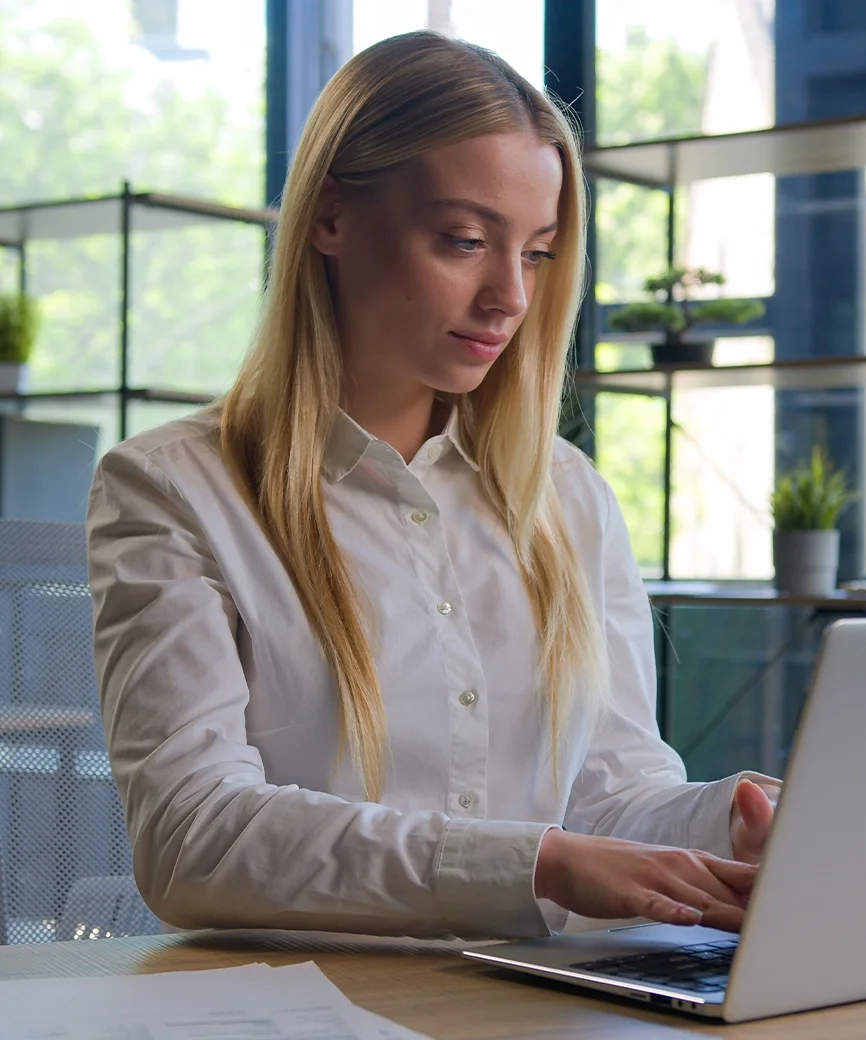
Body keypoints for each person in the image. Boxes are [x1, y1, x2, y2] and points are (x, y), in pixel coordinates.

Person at [86, 31, 780, 941]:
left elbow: (608, 797)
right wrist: (539, 864)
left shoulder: (567, 498)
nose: (511, 299)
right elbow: (192, 839)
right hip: (301, 1011)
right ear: (330, 217)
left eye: (535, 252)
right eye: (463, 240)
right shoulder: (173, 491)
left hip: (525, 1005)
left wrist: (724, 820)